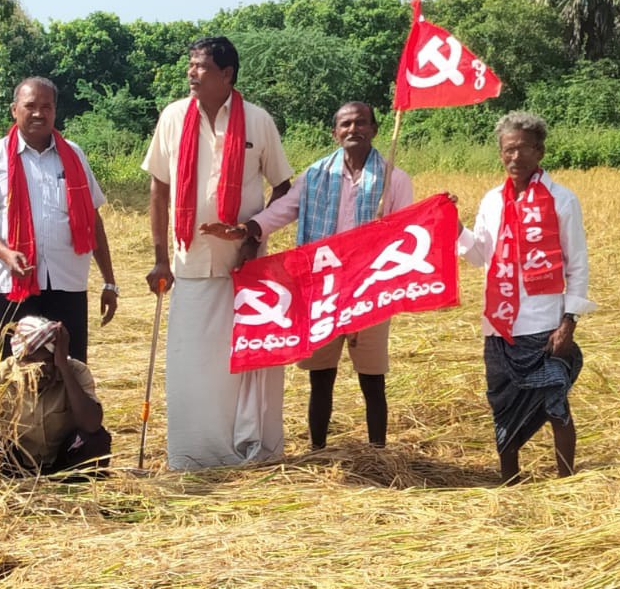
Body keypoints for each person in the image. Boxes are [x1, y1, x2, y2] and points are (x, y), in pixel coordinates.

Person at [216, 102, 413, 449]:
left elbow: (406, 229)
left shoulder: (393, 179)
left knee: (372, 379)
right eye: (346, 124)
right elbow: (283, 209)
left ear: (375, 129)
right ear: (335, 133)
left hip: (370, 289)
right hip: (323, 289)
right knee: (321, 377)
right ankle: (317, 450)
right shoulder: (316, 175)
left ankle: (378, 452)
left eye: (362, 123)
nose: (354, 129)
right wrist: (249, 229)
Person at [143, 36, 293, 470]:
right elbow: (159, 188)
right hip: (188, 263)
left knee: (241, 362)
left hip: (243, 267)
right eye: (190, 65)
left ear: (227, 75)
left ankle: (247, 450)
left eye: (201, 67)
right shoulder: (173, 117)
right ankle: (192, 456)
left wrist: (252, 236)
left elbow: (283, 185)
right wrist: (159, 257)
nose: (191, 73)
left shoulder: (258, 121)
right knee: (192, 364)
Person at [459, 112, 595, 483]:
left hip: (544, 324)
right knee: (502, 404)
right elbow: (479, 255)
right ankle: (509, 480)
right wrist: (455, 227)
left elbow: (577, 266)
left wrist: (569, 323)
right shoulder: (492, 200)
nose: (514, 157)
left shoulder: (561, 200)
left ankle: (565, 480)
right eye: (508, 150)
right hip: (500, 323)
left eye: (522, 149)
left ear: (539, 151)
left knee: (555, 403)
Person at [0, 77, 118, 362]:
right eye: (30, 106)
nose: (39, 113)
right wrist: (6, 254)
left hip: (68, 281)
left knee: (69, 369)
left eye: (46, 106)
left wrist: (109, 282)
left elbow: (93, 221)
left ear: (55, 111)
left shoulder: (73, 154)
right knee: (16, 372)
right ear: (14, 110)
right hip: (14, 283)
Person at [0, 315, 111, 475]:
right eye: (31, 362)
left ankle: (66, 483)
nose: (40, 371)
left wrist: (64, 369)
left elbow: (91, 424)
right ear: (18, 361)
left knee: (96, 441)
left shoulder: (76, 371)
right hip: (14, 464)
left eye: (47, 361)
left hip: (63, 463)